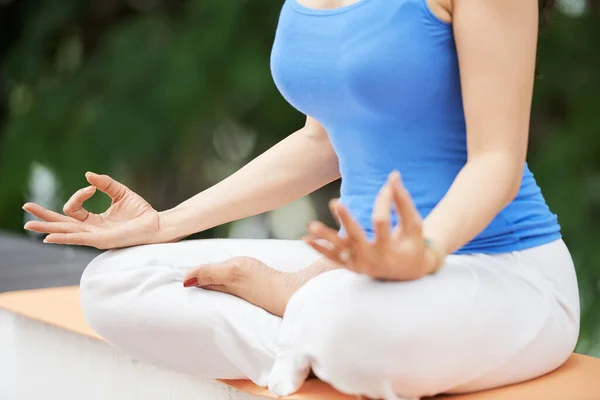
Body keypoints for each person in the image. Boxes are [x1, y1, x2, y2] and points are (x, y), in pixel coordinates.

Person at [23, 0, 580, 399]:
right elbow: (322, 141)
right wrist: (166, 223)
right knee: (112, 286)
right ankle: (307, 324)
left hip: (500, 267)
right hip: (352, 270)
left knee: (347, 326)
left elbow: (497, 162)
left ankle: (305, 314)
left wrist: (424, 252)